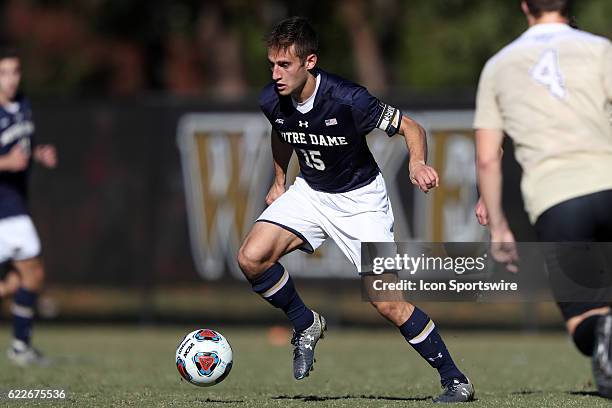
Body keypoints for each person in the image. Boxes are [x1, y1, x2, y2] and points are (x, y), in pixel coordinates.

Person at [237, 17, 474, 403]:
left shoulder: (349, 99)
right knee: (251, 257)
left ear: (310, 61)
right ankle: (305, 322)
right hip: (311, 193)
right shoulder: (272, 99)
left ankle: (455, 380)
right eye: (272, 64)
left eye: (285, 65)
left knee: (388, 302)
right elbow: (280, 131)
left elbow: (412, 127)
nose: (276, 74)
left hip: (362, 202)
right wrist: (279, 180)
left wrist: (416, 164)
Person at [474, 0, 612, 397]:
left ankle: (602, 331)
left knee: (582, 322)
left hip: (557, 202)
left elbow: (487, 157)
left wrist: (499, 227)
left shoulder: (498, 66)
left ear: (523, 6)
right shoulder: (599, 48)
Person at [0, 47, 57, 366]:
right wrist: (5, 162)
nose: (11, 79)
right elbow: (8, 157)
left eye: (15, 71)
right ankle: (20, 346)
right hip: (4, 210)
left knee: (29, 276)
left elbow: (22, 146)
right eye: (4, 72)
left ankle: (21, 346)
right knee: (31, 275)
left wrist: (37, 154)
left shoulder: (23, 105)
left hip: (13, 205)